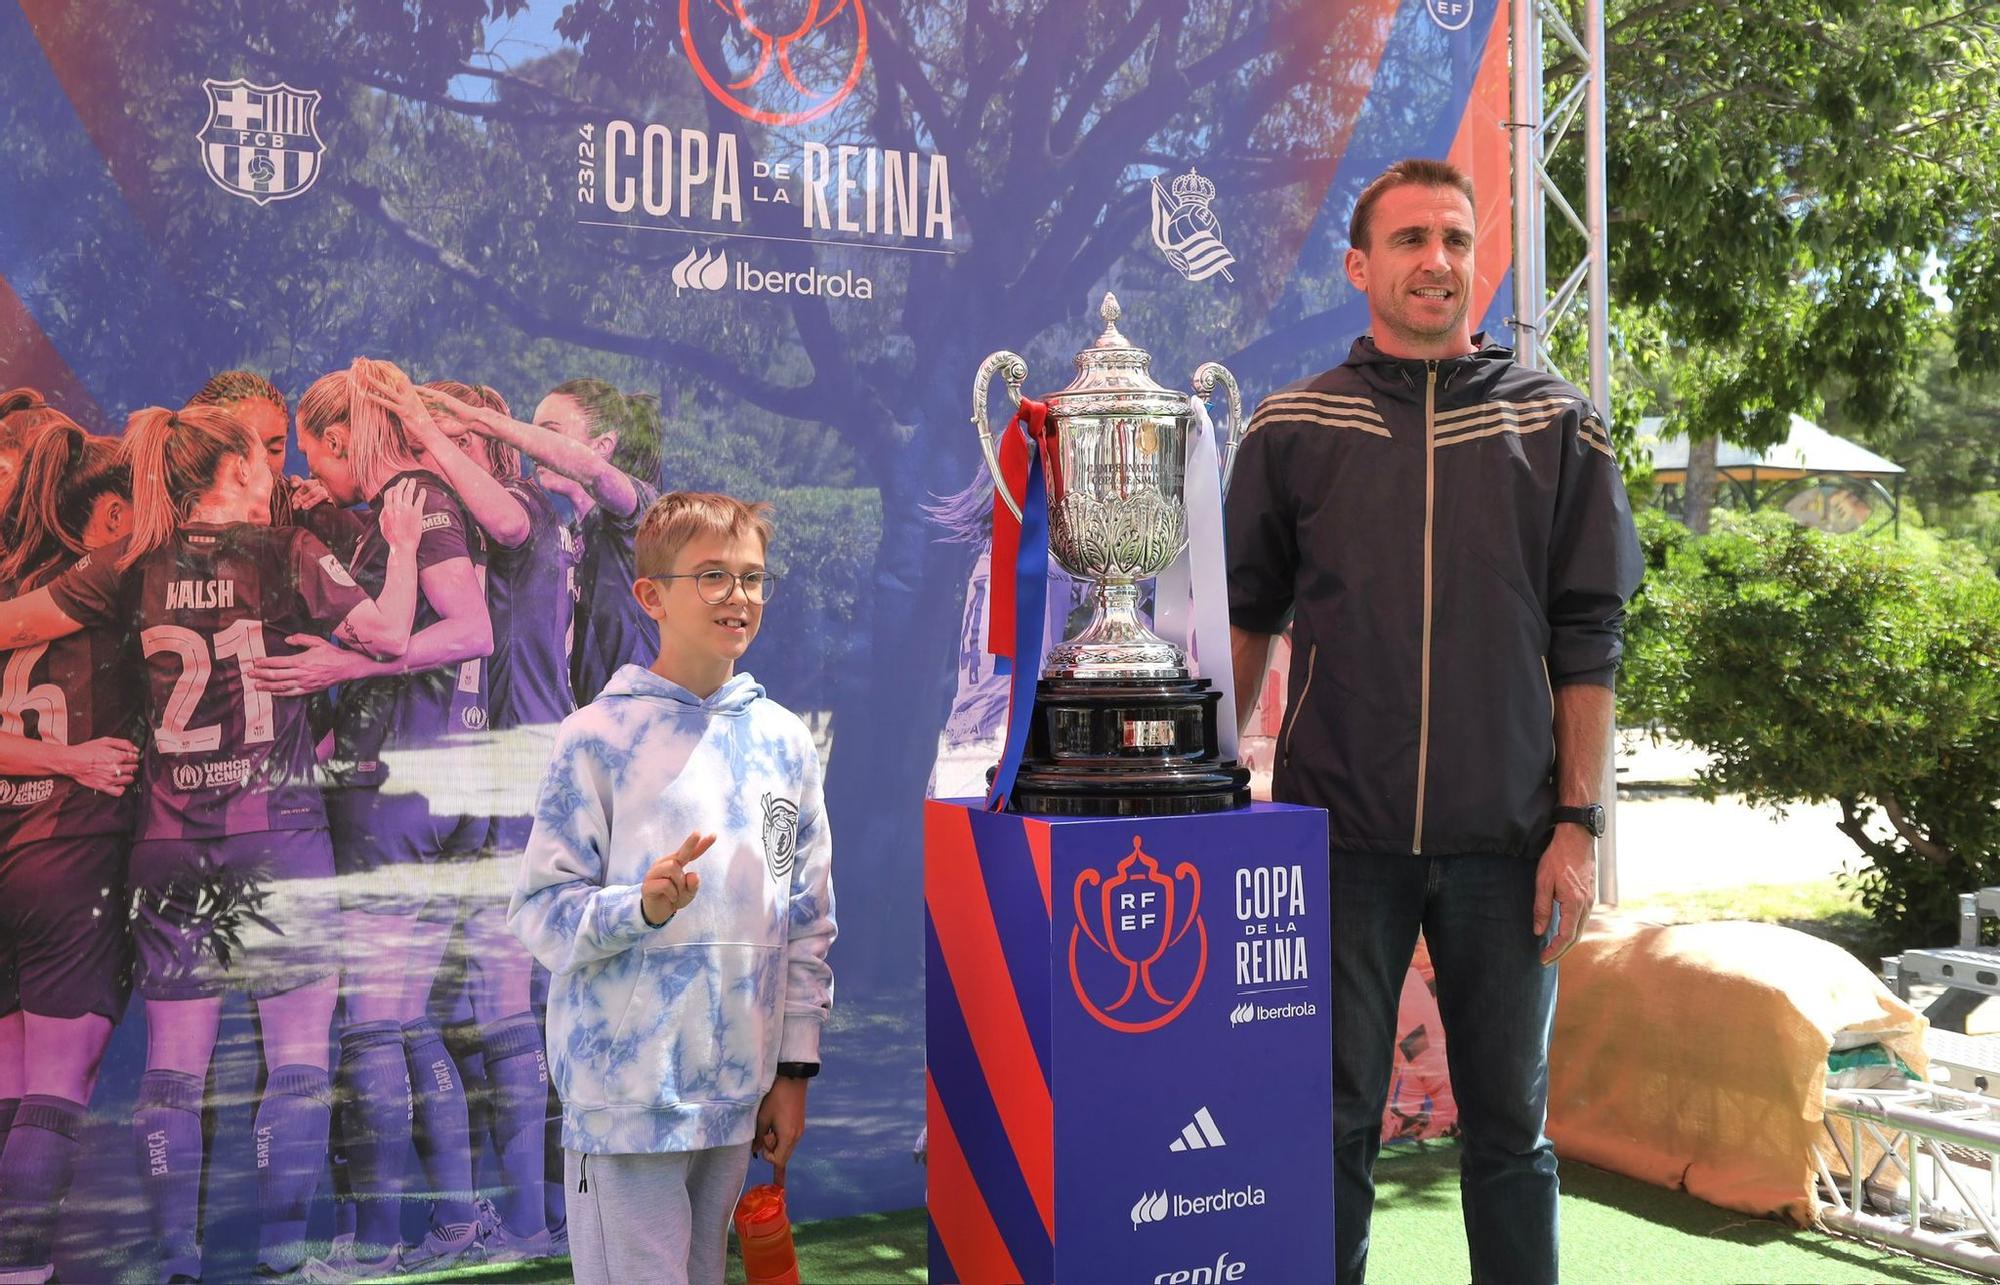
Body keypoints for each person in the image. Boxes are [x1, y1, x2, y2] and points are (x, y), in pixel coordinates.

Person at [1224, 157, 1643, 1285]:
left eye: (1455, 241)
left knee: (1509, 1132)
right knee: (1331, 1121)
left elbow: (1588, 633)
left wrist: (1576, 824)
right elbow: (1244, 617)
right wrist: (1220, 790)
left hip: (1507, 841)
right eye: (1410, 240)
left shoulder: (1556, 424)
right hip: (1336, 837)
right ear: (1360, 265)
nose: (1435, 262)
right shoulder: (1291, 423)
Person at [0, 404, 424, 1282]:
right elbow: (387, 633)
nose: (274, 470)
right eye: (260, 458)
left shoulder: (129, 563)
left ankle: (175, 1262)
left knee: (172, 1075)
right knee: (299, 1056)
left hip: (165, 845)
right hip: (275, 834)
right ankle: (279, 1255)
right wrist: (407, 547)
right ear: (236, 468)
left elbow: (13, 624)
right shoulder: (288, 551)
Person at [509, 492, 836, 1285]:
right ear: (651, 594)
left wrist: (791, 1074)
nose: (739, 596)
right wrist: (641, 906)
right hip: (624, 1103)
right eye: (714, 575)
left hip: (734, 1098)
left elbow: (806, 921)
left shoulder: (786, 741)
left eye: (753, 578)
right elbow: (541, 913)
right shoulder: (594, 737)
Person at [249, 358, 494, 1280]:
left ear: (345, 440)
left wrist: (344, 670)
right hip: (419, 782)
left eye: (317, 453)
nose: (318, 472)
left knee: (376, 1027)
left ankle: (385, 1240)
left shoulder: (413, 498)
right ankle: (443, 1218)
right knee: (403, 1021)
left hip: (397, 783)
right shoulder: (388, 509)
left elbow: (470, 627)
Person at [0, 421, 135, 1284]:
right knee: (56, 1086)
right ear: (111, 509)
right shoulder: (105, 581)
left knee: (12, 1083)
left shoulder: (13, 583)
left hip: (11, 848)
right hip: (70, 846)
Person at [446, 379, 662, 705]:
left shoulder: (639, 513)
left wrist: (478, 419)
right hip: (592, 726)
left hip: (643, 722)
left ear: (603, 445)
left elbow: (595, 474)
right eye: (534, 433)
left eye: (550, 433)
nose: (533, 446)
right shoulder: (566, 534)